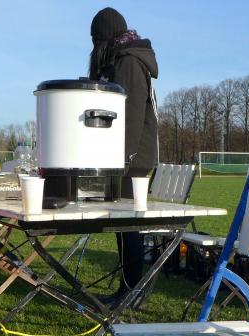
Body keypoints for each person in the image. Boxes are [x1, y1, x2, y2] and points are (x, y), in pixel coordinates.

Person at [89, 7, 159, 303]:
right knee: (122, 224)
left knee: (129, 225)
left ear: (104, 38)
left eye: (96, 41)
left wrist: (123, 159)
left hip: (133, 157)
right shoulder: (119, 60)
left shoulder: (129, 62)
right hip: (123, 155)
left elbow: (130, 116)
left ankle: (133, 291)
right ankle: (127, 288)